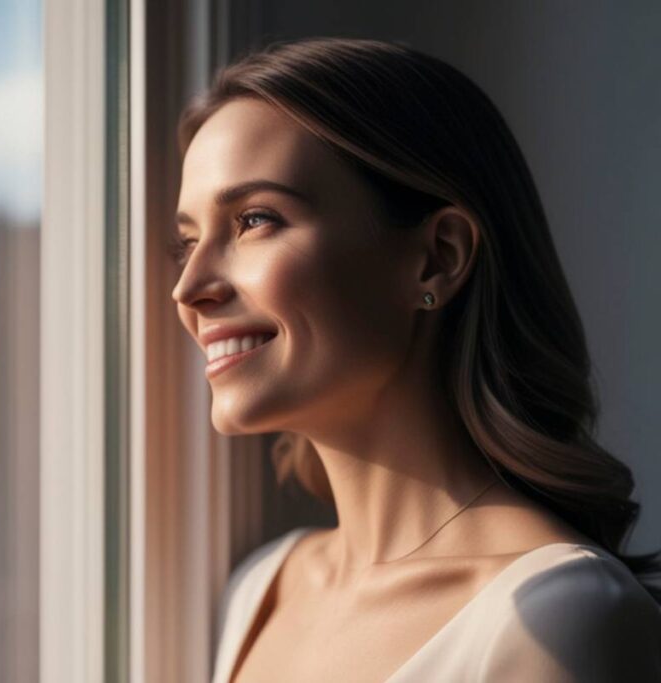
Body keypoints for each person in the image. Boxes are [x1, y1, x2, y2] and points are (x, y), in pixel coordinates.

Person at [168, 37, 661, 682]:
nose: (188, 289)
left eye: (255, 220)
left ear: (439, 257)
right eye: (187, 243)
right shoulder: (261, 589)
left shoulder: (561, 618)